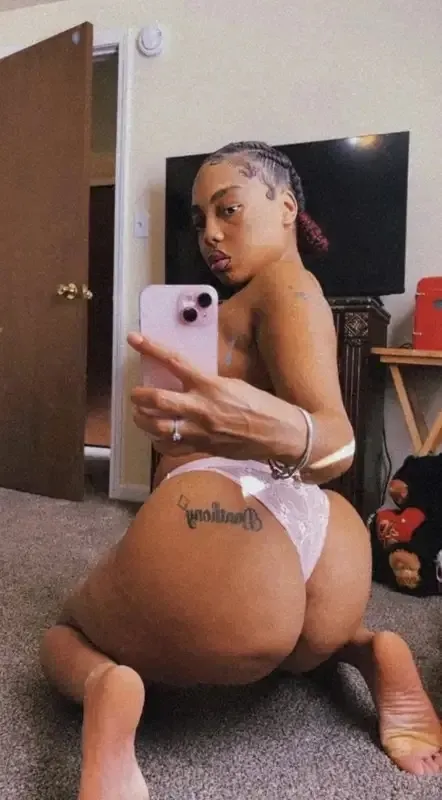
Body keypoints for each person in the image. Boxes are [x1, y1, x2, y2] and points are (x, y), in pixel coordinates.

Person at [40, 141, 442, 799]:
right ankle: (365, 649)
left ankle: (106, 687)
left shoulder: (285, 286)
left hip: (223, 532)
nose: (210, 234)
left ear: (286, 207)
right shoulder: (270, 298)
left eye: (227, 210)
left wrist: (252, 424)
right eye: (199, 219)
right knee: (300, 642)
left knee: (67, 631)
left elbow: (335, 439)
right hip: (325, 542)